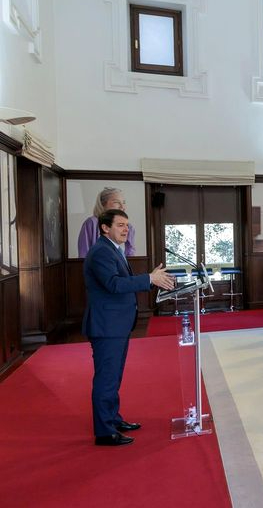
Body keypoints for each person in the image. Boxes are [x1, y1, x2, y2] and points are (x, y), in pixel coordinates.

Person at [83, 209, 175, 446]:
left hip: (117, 325)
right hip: (107, 326)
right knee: (107, 379)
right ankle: (105, 432)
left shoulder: (113, 249)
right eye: (120, 225)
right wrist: (149, 279)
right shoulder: (101, 251)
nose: (126, 229)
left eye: (127, 225)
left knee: (114, 376)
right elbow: (113, 284)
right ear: (105, 228)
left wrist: (151, 280)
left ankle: (113, 419)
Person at [78, 187, 136, 257]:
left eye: (124, 202)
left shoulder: (129, 227)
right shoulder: (92, 223)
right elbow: (83, 255)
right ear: (103, 204)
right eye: (116, 202)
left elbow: (131, 255)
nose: (122, 207)